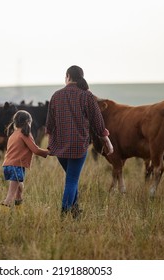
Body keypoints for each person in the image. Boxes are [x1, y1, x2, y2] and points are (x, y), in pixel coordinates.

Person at [46, 65, 113, 218]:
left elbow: (49, 125)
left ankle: (75, 211)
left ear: (68, 76)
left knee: (71, 178)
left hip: (59, 147)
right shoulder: (86, 96)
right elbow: (98, 122)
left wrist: (50, 144)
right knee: (72, 180)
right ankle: (64, 213)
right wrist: (107, 142)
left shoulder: (56, 95)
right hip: (78, 146)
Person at [1, 110, 49, 209]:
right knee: (10, 196)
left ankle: (19, 210)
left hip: (7, 165)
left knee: (19, 188)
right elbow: (35, 150)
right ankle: (3, 216)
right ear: (28, 122)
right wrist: (48, 152)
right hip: (17, 166)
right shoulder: (25, 134)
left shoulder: (13, 135)